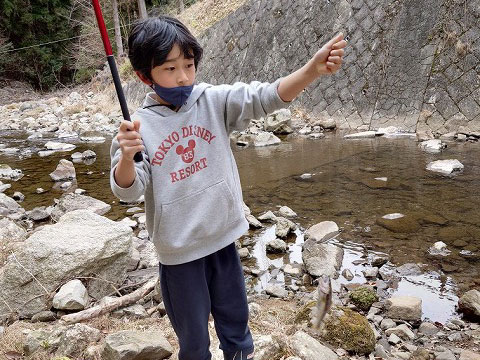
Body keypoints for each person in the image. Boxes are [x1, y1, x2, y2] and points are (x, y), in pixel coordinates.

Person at [110, 15, 346, 360]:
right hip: (179, 254)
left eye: (189, 65)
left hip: (223, 240)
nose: (184, 77)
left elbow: (266, 97)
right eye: (170, 69)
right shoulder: (136, 129)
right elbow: (127, 192)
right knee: (193, 341)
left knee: (236, 329)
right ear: (145, 76)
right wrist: (127, 159)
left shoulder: (212, 101)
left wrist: (311, 70)